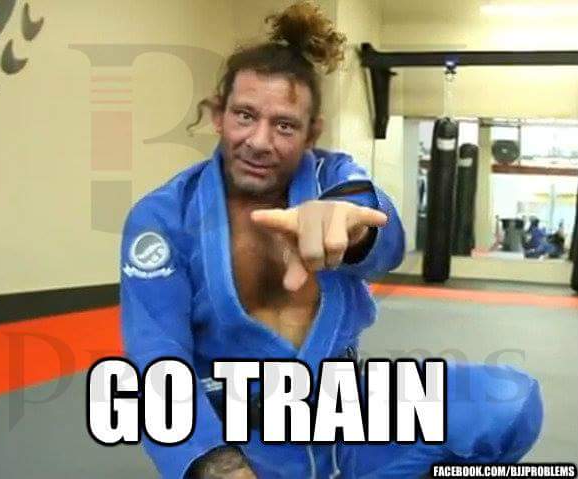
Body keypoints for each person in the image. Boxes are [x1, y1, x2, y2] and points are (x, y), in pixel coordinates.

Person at [120, 2, 543, 478]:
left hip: (346, 412)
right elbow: (157, 359)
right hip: (248, 434)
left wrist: (354, 230)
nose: (259, 140)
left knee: (511, 402)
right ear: (218, 115)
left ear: (310, 133)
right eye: (245, 116)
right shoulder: (163, 218)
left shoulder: (332, 177)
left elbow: (375, 221)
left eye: (284, 125)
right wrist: (219, 465)